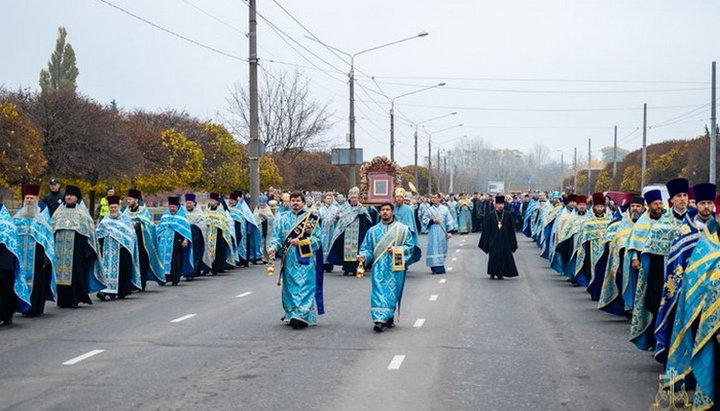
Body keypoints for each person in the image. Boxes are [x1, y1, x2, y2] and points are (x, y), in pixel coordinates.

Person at [664, 195, 720, 411]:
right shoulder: (706, 243)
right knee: (708, 355)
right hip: (705, 311)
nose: (706, 207)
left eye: (709, 204)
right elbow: (693, 276)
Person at [654, 183, 715, 364]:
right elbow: (676, 261)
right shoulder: (685, 230)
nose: (706, 207)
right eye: (702, 203)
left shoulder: (716, 228)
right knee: (690, 328)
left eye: (709, 203)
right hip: (689, 289)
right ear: (696, 204)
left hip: (714, 290)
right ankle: (686, 366)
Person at [628, 179, 692, 351]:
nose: (683, 199)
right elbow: (651, 254)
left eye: (685, 195)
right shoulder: (661, 224)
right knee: (662, 307)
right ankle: (662, 344)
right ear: (672, 200)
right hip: (665, 275)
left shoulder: (695, 221)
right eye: (679, 196)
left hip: (691, 276)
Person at [268, 192, 323, 330]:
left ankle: (302, 315)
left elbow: (318, 240)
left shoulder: (312, 219)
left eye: (298, 200)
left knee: (305, 285)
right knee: (290, 287)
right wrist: (273, 248)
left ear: (303, 202)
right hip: (289, 259)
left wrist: (301, 242)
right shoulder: (282, 218)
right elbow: (276, 237)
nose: (295, 203)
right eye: (293, 200)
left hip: (306, 258)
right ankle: (292, 313)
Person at [358, 203, 416, 332]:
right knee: (378, 291)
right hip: (378, 267)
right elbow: (367, 248)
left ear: (392, 212)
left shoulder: (402, 229)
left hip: (395, 266)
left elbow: (410, 246)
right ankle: (379, 319)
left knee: (392, 292)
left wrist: (396, 249)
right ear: (379, 213)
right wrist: (364, 257)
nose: (385, 212)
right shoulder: (372, 231)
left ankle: (389, 317)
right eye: (383, 210)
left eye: (387, 210)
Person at [51, 185, 105, 308]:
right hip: (60, 250)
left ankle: (75, 299)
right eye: (67, 195)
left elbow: (89, 233)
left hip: (77, 250)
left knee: (75, 274)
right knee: (60, 275)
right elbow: (51, 229)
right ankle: (63, 300)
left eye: (71, 195)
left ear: (77, 198)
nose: (69, 197)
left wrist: (87, 251)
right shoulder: (58, 213)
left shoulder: (82, 213)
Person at [598, 195, 644, 316]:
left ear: (643, 208)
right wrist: (617, 263)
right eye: (633, 206)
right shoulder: (623, 223)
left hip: (645, 260)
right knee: (629, 286)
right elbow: (616, 244)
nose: (635, 209)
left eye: (638, 206)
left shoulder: (647, 223)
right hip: (626, 263)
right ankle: (630, 309)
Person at [14, 184, 56, 317]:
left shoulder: (43, 217)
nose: (29, 200)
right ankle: (22, 307)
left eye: (32, 198)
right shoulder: (17, 216)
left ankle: (35, 308)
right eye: (27, 198)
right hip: (21, 256)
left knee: (37, 282)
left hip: (38, 258)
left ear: (37, 199)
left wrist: (45, 257)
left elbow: (48, 239)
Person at [95, 196, 141, 301]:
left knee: (122, 272)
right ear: (108, 207)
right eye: (111, 207)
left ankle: (120, 291)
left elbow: (131, 235)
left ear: (119, 207)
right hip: (108, 250)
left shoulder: (125, 220)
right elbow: (98, 234)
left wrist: (124, 242)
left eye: (115, 207)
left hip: (122, 250)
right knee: (106, 271)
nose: (113, 209)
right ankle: (105, 291)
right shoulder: (105, 221)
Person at [124, 189, 165, 289]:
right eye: (128, 199)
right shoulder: (126, 212)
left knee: (142, 263)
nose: (128, 201)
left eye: (130, 199)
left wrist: (139, 226)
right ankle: (131, 283)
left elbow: (149, 226)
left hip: (142, 244)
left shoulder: (144, 212)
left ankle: (141, 283)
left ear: (136, 200)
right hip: (130, 243)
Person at [327, 187, 373, 276]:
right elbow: (338, 218)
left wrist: (360, 214)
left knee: (357, 251)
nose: (353, 200)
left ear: (358, 198)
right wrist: (338, 217)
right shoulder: (344, 207)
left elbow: (367, 220)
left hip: (357, 233)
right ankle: (346, 268)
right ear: (349, 198)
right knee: (346, 250)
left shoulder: (361, 208)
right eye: (352, 198)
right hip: (345, 233)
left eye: (355, 198)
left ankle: (356, 268)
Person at [574, 193, 612, 300]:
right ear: (594, 207)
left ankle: (602, 292)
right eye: (597, 207)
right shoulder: (588, 220)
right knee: (592, 269)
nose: (599, 208)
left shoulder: (609, 219)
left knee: (603, 270)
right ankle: (594, 292)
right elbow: (584, 236)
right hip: (591, 248)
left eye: (601, 207)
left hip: (605, 249)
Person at [0, 199, 30, 325]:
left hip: (4, 261)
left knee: (4, 289)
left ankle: (7, 314)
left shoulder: (6, 221)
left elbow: (7, 240)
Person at [156, 196, 194, 286]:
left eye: (174, 207)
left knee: (175, 261)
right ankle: (164, 278)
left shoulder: (182, 217)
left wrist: (186, 239)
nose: (172, 209)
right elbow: (159, 228)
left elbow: (186, 230)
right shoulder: (165, 216)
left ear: (177, 207)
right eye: (170, 207)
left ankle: (174, 279)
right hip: (164, 243)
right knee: (162, 259)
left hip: (176, 242)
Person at [479, 195, 518, 280]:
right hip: (493, 240)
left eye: (502, 204)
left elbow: (511, 230)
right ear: (495, 204)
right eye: (499, 204)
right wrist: (486, 242)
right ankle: (492, 273)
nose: (501, 206)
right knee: (493, 256)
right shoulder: (491, 215)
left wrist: (512, 242)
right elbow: (487, 230)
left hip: (504, 240)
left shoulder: (508, 215)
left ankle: (500, 273)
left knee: (503, 257)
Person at [421, 192, 457, 274]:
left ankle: (440, 265)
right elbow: (424, 220)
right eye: (432, 197)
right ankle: (434, 267)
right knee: (433, 249)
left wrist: (450, 232)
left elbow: (449, 221)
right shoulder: (429, 210)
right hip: (433, 233)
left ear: (439, 199)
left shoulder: (445, 209)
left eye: (435, 197)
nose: (433, 199)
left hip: (442, 233)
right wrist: (432, 221)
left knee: (441, 249)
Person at [204, 193, 234, 275]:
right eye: (210, 200)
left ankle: (216, 268)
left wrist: (213, 222)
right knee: (208, 251)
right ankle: (208, 267)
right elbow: (204, 220)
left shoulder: (221, 211)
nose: (211, 202)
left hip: (219, 234)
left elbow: (223, 223)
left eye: (213, 200)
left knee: (218, 251)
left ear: (217, 202)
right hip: (208, 234)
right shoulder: (207, 210)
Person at [393, 188, 422, 267]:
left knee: (401, 251)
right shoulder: (392, 208)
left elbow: (410, 223)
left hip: (404, 234)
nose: (399, 199)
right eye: (397, 197)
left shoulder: (408, 209)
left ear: (403, 199)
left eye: (401, 197)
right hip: (393, 234)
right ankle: (396, 265)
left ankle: (402, 265)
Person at [185, 193, 211, 277]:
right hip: (185, 238)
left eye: (190, 203)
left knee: (195, 255)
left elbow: (202, 225)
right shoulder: (182, 212)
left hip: (196, 239)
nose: (188, 205)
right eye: (187, 203)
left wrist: (193, 229)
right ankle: (187, 272)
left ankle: (193, 272)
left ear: (194, 203)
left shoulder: (199, 213)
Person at [317, 192, 338, 272]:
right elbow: (318, 220)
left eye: (330, 198)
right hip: (324, 231)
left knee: (330, 246)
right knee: (323, 246)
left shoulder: (336, 209)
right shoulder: (321, 209)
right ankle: (323, 264)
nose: (329, 200)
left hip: (332, 231)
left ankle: (330, 264)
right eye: (327, 198)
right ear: (324, 200)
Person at [254, 196, 276, 264]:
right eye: (261, 204)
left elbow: (271, 218)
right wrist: (259, 214)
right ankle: (262, 256)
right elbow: (254, 216)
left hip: (267, 228)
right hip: (260, 227)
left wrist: (264, 215)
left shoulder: (268, 209)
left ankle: (269, 257)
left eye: (263, 204)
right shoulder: (257, 208)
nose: (262, 205)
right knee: (261, 242)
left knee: (268, 243)